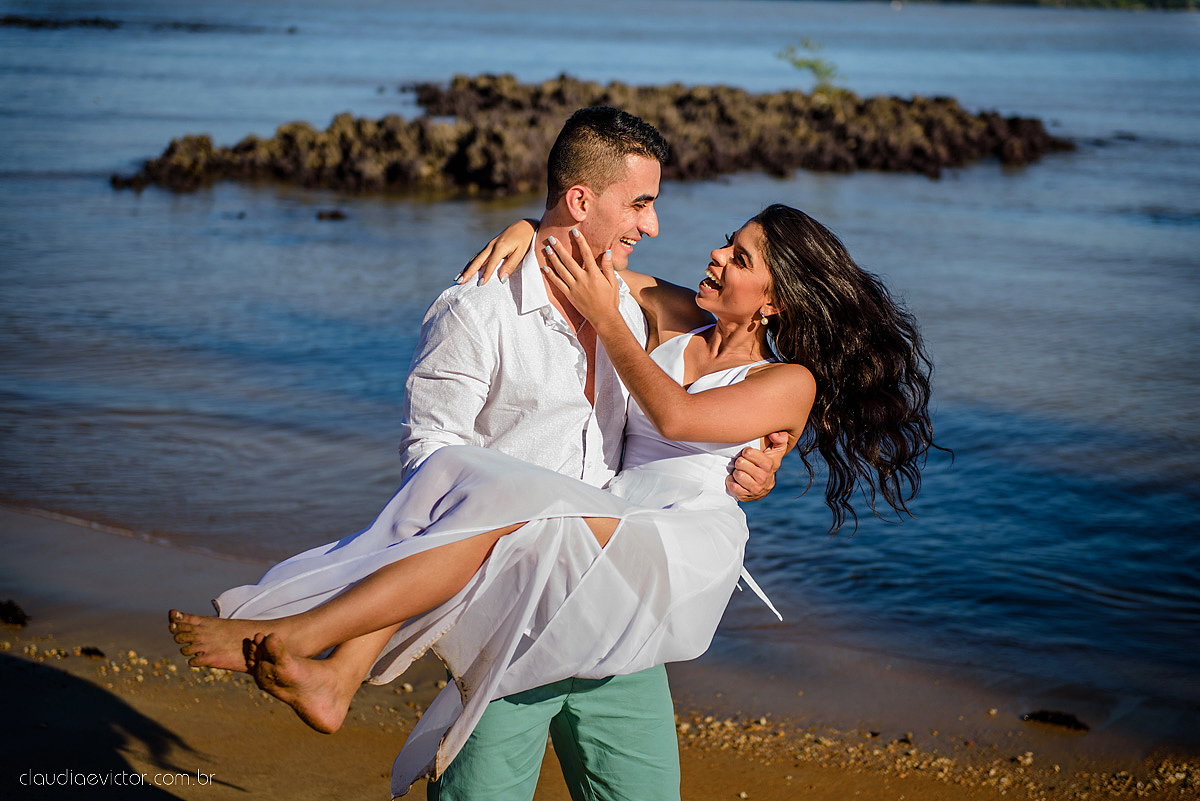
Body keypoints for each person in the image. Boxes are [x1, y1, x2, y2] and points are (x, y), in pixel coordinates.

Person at [170, 202, 937, 798]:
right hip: (605, 522)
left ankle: (314, 634)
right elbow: (574, 258)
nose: (714, 254)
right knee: (463, 480)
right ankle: (334, 665)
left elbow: (676, 416)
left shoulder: (786, 381)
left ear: (776, 301)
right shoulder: (677, 316)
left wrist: (611, 322)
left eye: (740, 258)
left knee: (499, 493)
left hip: (670, 546)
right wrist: (527, 226)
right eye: (726, 241)